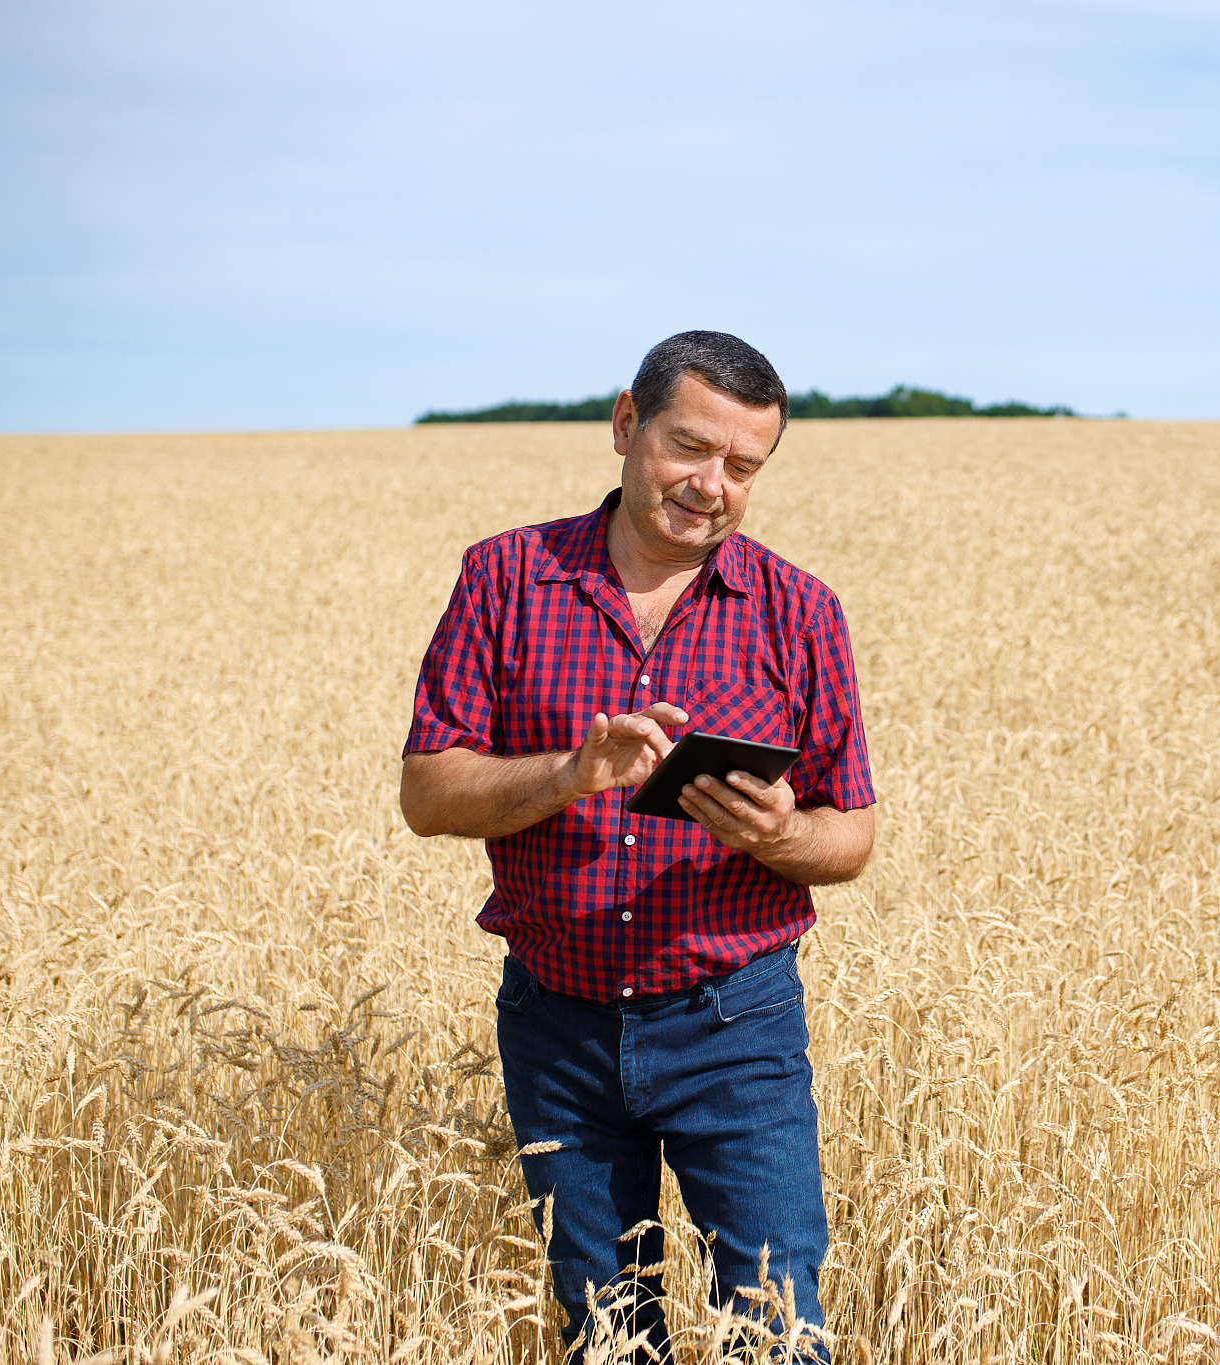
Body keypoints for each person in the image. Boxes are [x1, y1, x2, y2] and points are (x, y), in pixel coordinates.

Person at [399, 331, 874, 1356]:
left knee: (778, 1329)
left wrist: (783, 833)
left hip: (733, 1028)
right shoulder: (503, 579)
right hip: (555, 1028)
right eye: (688, 449)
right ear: (626, 423)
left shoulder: (799, 613)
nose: (712, 486)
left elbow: (854, 836)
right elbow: (429, 791)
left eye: (743, 466)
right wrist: (569, 773)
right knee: (605, 1332)